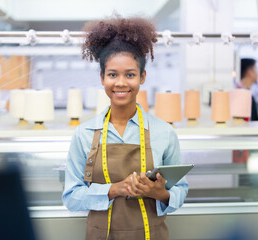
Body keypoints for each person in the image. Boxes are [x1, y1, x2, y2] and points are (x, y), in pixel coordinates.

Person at [62, 16, 188, 240]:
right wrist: (114, 189)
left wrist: (163, 194)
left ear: (142, 77)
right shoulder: (84, 134)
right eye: (112, 75)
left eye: (130, 74)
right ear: (102, 78)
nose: (120, 83)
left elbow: (181, 189)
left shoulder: (164, 132)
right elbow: (71, 197)